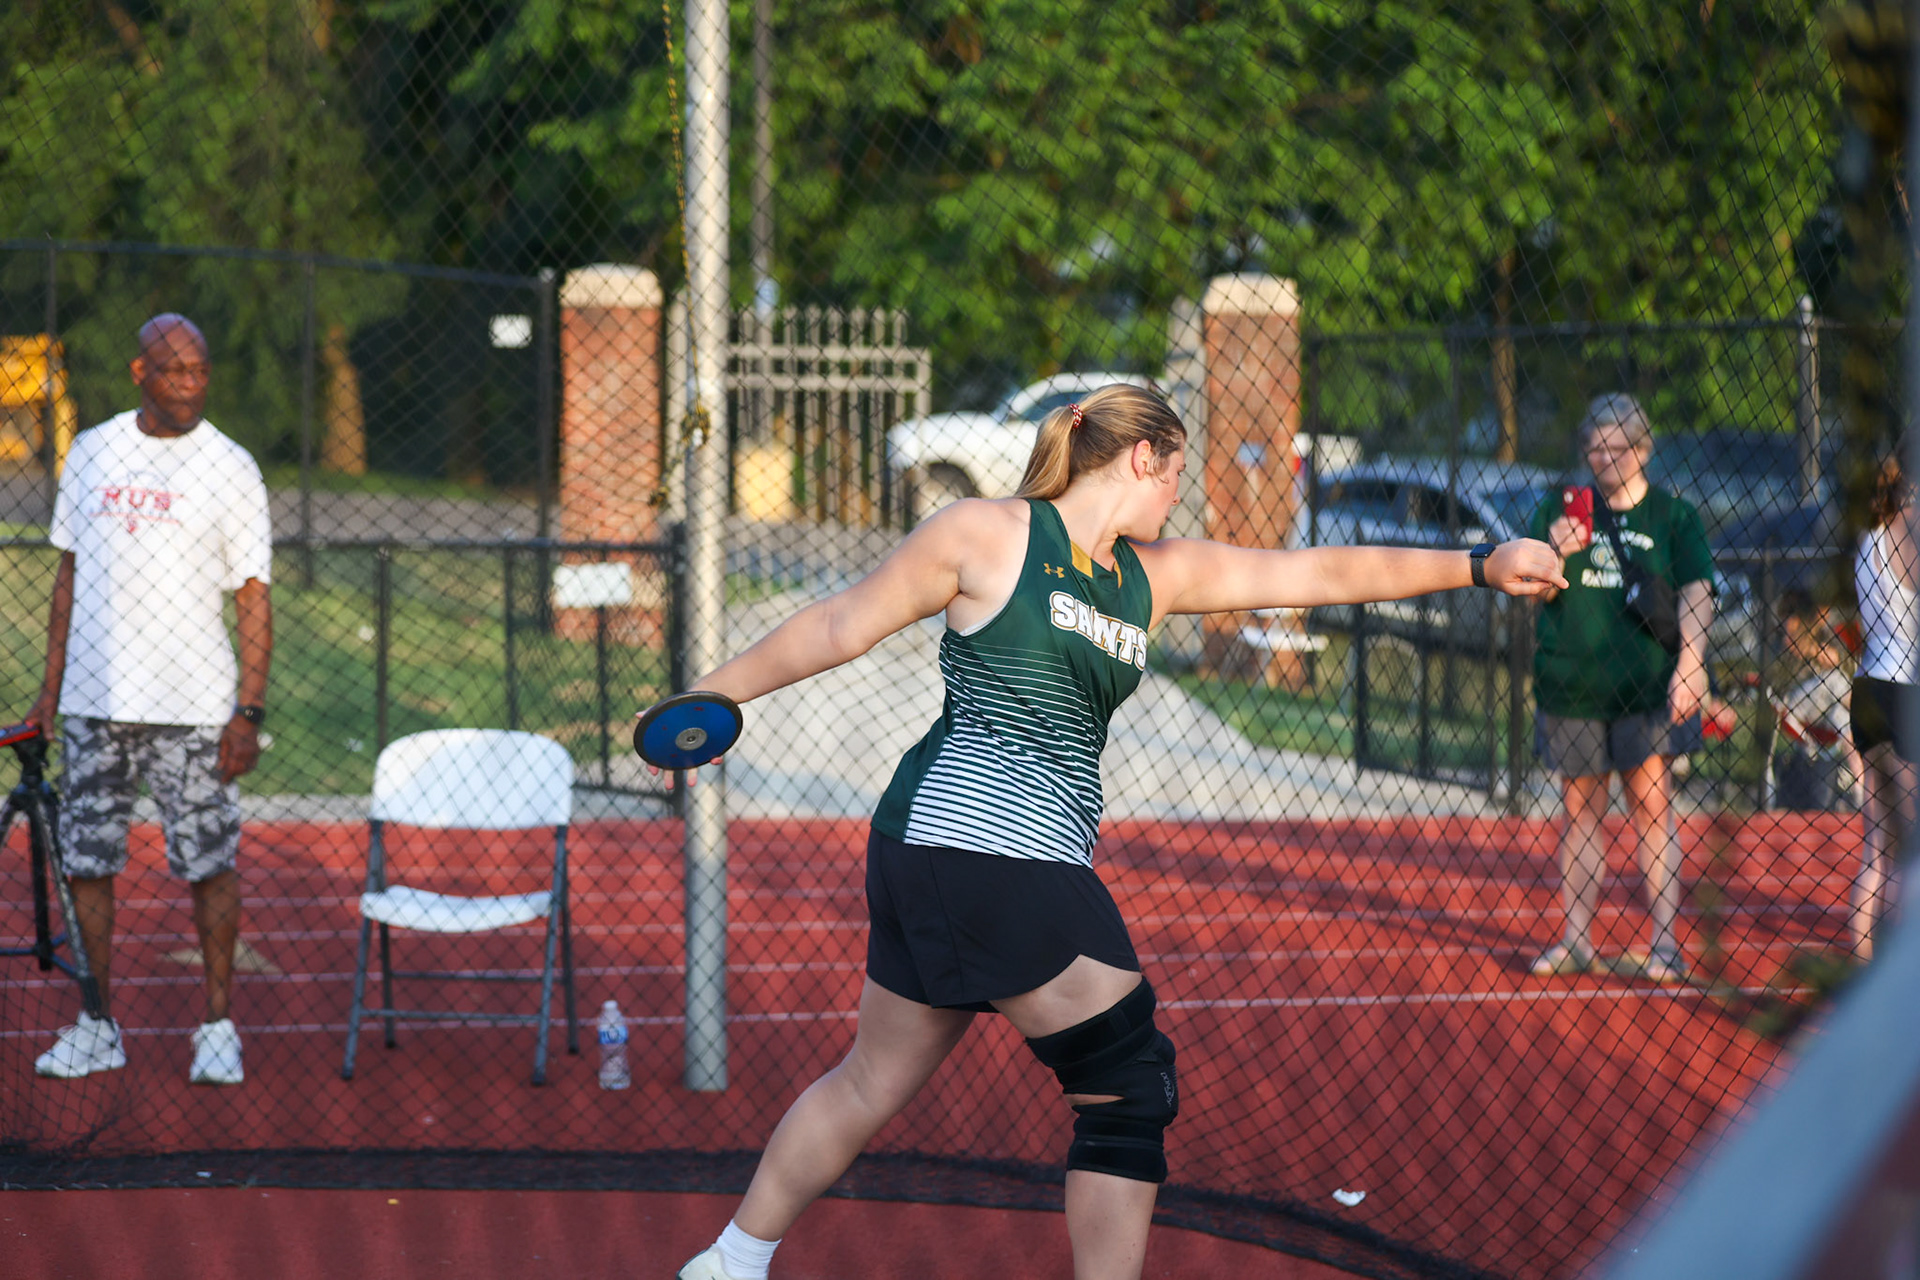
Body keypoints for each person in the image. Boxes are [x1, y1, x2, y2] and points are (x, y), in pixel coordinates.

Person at [658, 385, 1564, 1280]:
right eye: (1175, 476)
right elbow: (839, 623)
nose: (1178, 497)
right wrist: (709, 698)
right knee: (1130, 1085)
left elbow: (1320, 575)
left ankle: (728, 1264)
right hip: (979, 844)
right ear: (1143, 458)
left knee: (870, 1082)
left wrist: (1480, 564)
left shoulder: (1152, 577)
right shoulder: (989, 533)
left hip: (944, 856)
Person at [24, 314, 274, 1084]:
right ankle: (97, 1024)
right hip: (94, 705)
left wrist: (249, 711)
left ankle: (218, 1027)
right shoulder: (94, 451)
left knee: (210, 865)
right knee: (87, 862)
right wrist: (49, 692)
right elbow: (68, 576)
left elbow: (254, 596)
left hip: (195, 709)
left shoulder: (230, 467)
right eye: (174, 371)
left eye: (199, 371)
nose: (190, 385)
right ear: (141, 373)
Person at [1527, 393, 1715, 984]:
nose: (1606, 459)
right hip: (1572, 687)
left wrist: (1693, 661)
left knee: (1652, 807)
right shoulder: (1559, 509)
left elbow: (1699, 590)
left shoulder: (1673, 517)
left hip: (1646, 688)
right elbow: (1535, 592)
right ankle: (1577, 940)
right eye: (1596, 448)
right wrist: (1554, 553)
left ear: (1644, 448)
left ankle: (1665, 943)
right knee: (1580, 812)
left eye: (1619, 448)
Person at [1847, 454, 1917, 960]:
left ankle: (1863, 957)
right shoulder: (1908, 537)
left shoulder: (1865, 540)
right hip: (1905, 691)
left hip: (1867, 687)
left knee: (1877, 843)